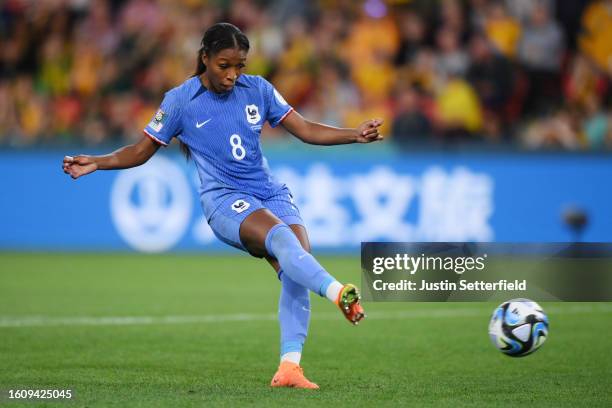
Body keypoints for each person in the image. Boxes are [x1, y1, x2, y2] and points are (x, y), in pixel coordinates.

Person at [62, 22, 383, 389]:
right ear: (205, 58)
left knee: (297, 265)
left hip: (270, 192)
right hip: (225, 200)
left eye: (239, 66)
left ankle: (289, 368)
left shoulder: (258, 89)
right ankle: (339, 292)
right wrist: (98, 161)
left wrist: (354, 134)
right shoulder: (180, 101)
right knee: (281, 239)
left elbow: (306, 128)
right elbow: (140, 150)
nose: (232, 75)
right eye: (224, 65)